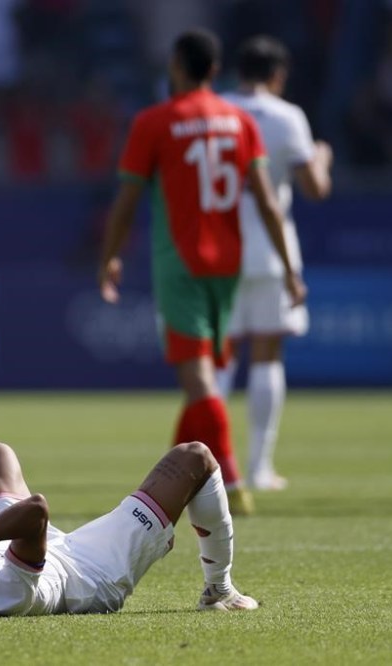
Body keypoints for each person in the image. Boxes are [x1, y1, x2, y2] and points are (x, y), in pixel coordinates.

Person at [98, 29, 305, 516]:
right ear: (215, 71)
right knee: (203, 379)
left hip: (183, 265)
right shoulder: (238, 122)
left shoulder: (155, 121)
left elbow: (127, 200)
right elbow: (269, 203)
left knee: (200, 381)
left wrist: (108, 255)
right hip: (227, 264)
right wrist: (291, 269)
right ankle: (163, 492)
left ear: (175, 66)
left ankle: (230, 480)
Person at [0, 439, 258, 616]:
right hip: (93, 570)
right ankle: (217, 588)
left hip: (18, 545)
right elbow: (37, 511)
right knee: (195, 458)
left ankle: (218, 588)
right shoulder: (6, 596)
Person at [215, 36, 333, 492]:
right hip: (269, 248)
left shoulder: (218, 110)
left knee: (220, 360)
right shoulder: (288, 117)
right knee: (267, 353)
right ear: (278, 75)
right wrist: (322, 156)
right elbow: (315, 189)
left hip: (220, 250)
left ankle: (217, 465)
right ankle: (259, 467)